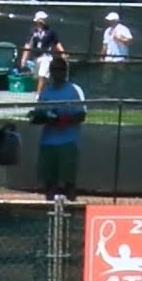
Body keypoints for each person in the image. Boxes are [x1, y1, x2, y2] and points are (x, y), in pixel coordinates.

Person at [32, 57, 86, 201]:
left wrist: (63, 119)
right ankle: (50, 214)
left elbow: (81, 115)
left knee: (69, 183)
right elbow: (37, 116)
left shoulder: (73, 90)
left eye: (59, 70)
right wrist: (43, 117)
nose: (56, 73)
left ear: (65, 72)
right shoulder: (46, 92)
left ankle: (70, 213)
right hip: (48, 143)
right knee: (50, 184)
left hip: (67, 143)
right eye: (54, 70)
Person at [21, 11, 65, 95]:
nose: (44, 20)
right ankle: (44, 92)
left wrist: (62, 52)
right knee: (37, 77)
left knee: (42, 75)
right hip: (36, 57)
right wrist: (24, 58)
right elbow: (27, 45)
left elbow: (57, 43)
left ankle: (38, 95)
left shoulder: (50, 31)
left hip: (46, 56)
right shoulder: (33, 31)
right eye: (42, 18)